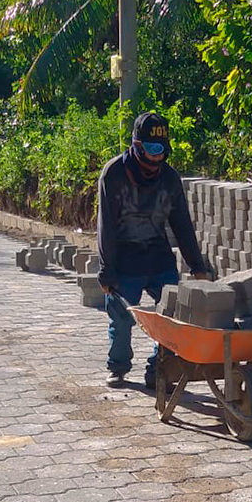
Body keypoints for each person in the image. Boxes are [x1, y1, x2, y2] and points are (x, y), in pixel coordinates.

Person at [96, 111, 209, 388]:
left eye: (162, 149)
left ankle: (158, 370)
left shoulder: (169, 179)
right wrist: (106, 270)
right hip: (124, 259)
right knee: (122, 318)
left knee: (172, 317)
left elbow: (182, 223)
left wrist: (197, 266)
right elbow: (106, 226)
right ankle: (118, 366)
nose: (158, 157)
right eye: (152, 149)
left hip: (158, 258)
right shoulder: (114, 175)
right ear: (136, 146)